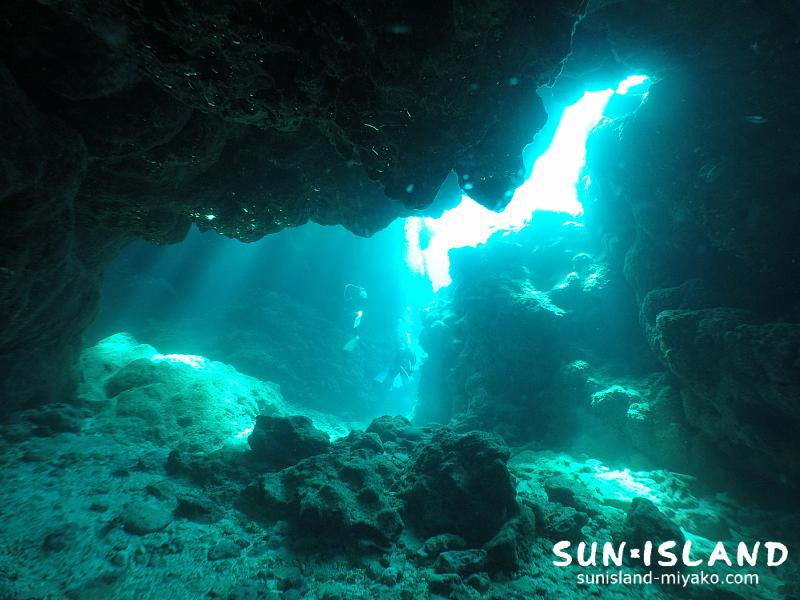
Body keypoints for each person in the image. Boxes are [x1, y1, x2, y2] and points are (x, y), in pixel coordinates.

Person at [342, 284, 367, 352]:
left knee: (355, 324)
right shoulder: (360, 293)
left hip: (357, 311)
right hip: (357, 311)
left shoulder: (361, 293)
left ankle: (356, 335)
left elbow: (348, 291)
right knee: (355, 324)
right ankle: (356, 335)